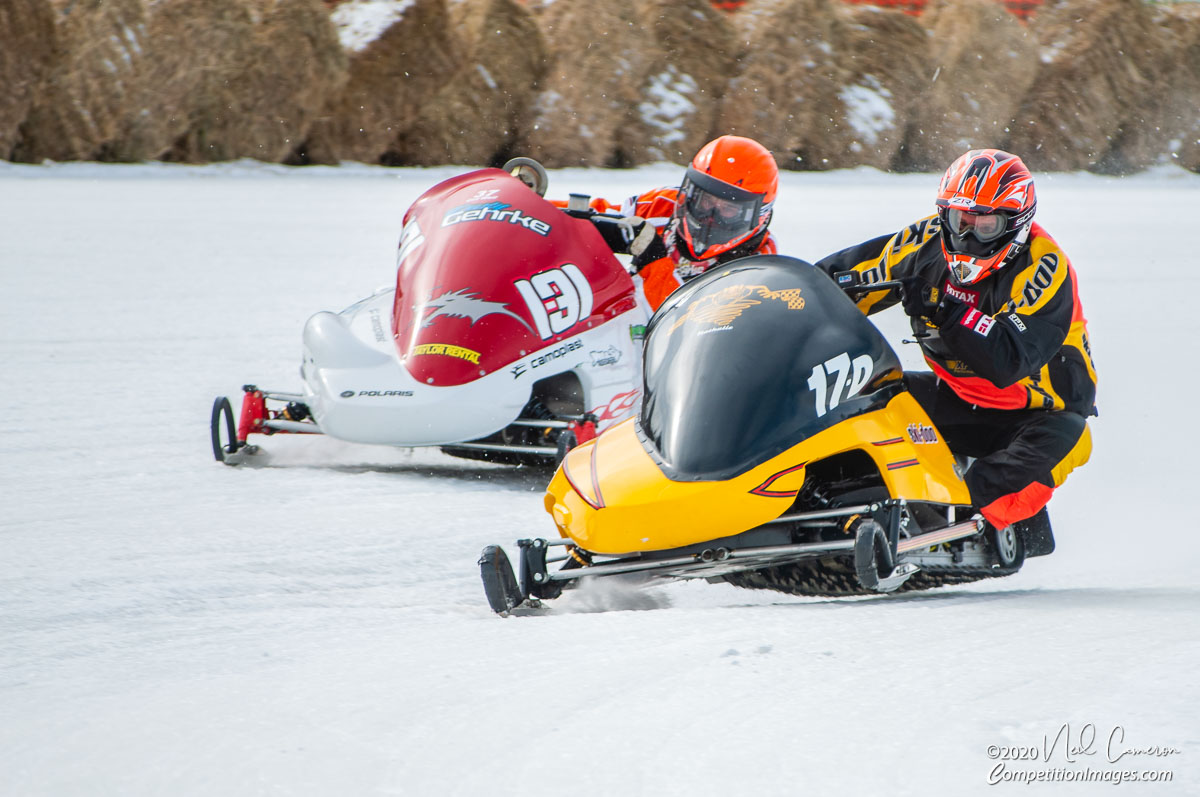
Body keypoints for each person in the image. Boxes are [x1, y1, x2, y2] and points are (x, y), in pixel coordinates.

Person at [815, 148, 1097, 536]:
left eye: (985, 226)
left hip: (1037, 416)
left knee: (1064, 439)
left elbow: (1007, 359)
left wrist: (945, 309)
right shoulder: (925, 239)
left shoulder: (1043, 267)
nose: (967, 236)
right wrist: (780, 299)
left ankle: (959, 523)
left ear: (1016, 224)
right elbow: (837, 280)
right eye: (959, 219)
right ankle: (824, 497)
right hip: (955, 398)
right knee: (855, 395)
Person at [571, 135, 781, 310]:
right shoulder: (662, 204)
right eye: (705, 200)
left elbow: (693, 326)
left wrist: (654, 260)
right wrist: (540, 202)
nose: (710, 217)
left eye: (728, 208)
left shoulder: (760, 266)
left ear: (757, 214)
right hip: (618, 334)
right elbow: (597, 214)